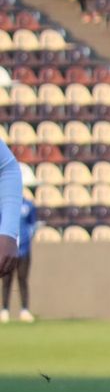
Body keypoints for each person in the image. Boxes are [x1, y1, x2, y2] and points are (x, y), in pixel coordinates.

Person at [0, 138, 32, 322]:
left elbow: (8, 167)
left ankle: (23, 309)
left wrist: (8, 232)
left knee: (21, 279)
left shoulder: (29, 206)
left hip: (24, 249)